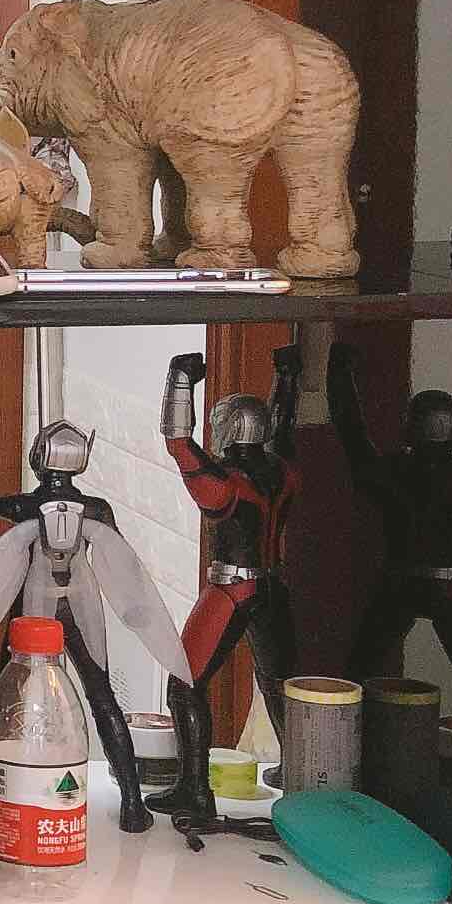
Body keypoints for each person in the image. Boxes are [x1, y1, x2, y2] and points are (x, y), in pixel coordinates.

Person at [0, 420, 191, 833]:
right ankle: (132, 803)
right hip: (82, 605)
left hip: (34, 607)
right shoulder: (97, 510)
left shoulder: (22, 507)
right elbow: (124, 568)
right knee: (101, 695)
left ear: (40, 458)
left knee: (7, 695)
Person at [157, 347, 303, 835]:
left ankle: (195, 791)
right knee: (281, 689)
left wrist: (180, 379)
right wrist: (286, 375)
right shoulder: (283, 471)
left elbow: (179, 442)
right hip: (274, 589)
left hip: (231, 589)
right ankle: (302, 788)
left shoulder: (226, 485)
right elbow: (283, 429)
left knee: (184, 684)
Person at [328, 342, 452, 679]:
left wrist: (339, 371)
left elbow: (352, 433)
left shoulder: (393, 472)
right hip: (449, 585)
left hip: (399, 582)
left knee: (355, 677)